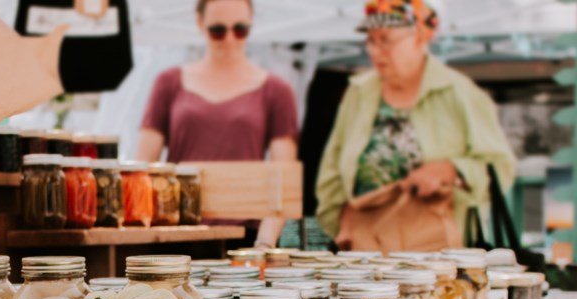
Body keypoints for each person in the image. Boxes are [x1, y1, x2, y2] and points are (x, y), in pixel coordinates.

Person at [315, 0, 516, 250]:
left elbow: (500, 167)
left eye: (386, 40)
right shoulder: (358, 92)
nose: (376, 51)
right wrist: (340, 223)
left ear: (421, 37)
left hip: (437, 247)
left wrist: (452, 170)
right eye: (371, 40)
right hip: (365, 245)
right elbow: (332, 170)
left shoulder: (459, 92)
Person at [136, 0, 300, 248]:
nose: (230, 39)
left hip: (244, 236)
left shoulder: (276, 91)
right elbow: (143, 169)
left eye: (240, 29)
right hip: (176, 234)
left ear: (251, 25)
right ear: (200, 23)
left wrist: (264, 244)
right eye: (218, 30)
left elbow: (283, 178)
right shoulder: (168, 83)